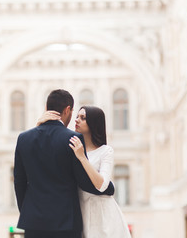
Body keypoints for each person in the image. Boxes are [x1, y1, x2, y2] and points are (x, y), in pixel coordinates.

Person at [13, 89, 115, 238]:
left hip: (33, 222)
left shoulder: (23, 138)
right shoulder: (73, 139)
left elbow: (19, 181)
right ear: (67, 110)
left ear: (47, 108)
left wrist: (28, 211)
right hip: (65, 223)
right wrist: (108, 187)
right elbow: (83, 181)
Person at [38, 106, 132, 238]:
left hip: (103, 214)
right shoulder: (70, 146)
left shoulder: (105, 151)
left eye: (83, 118)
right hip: (81, 212)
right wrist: (40, 126)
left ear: (94, 123)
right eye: (77, 116)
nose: (77, 120)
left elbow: (102, 185)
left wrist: (82, 157)